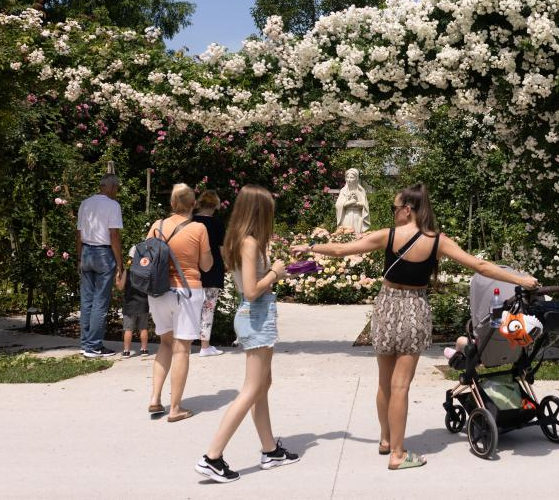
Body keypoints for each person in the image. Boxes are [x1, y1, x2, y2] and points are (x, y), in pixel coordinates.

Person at [291, 183, 537, 470]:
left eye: (394, 208)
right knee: (401, 385)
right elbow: (479, 266)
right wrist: (520, 280)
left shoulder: (387, 235)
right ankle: (397, 454)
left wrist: (310, 247)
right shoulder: (437, 241)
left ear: (407, 210)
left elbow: (341, 249)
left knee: (385, 382)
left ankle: (386, 440)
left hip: (386, 307)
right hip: (414, 310)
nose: (393, 212)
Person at [196, 185, 298, 483]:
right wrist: (275, 273)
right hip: (255, 315)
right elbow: (252, 291)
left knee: (262, 385)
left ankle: (270, 450)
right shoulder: (250, 243)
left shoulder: (242, 240)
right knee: (252, 389)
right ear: (258, 212)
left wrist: (275, 273)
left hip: (256, 315)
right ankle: (212, 457)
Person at [146, 183, 212, 423]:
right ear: (193, 204)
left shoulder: (157, 226)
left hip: (159, 291)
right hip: (187, 291)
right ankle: (175, 408)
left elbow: (146, 257)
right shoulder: (198, 228)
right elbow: (206, 266)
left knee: (165, 344)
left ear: (172, 204)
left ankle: (155, 398)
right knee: (182, 348)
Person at [75, 173, 124, 358]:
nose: (116, 191)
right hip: (103, 253)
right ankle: (94, 346)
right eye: (116, 188)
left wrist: (79, 258)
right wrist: (119, 263)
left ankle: (85, 344)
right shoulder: (113, 205)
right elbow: (114, 235)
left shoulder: (85, 203)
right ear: (111, 187)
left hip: (86, 252)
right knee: (100, 302)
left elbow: (79, 233)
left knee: (87, 301)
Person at [195, 189, 227, 357]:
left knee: (189, 308)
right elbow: (222, 250)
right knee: (208, 308)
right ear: (215, 205)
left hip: (192, 270)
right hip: (213, 270)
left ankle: (183, 344)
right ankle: (205, 346)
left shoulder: (190, 221)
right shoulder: (217, 224)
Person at [121, 267, 150, 358]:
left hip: (129, 306)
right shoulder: (146, 271)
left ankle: (126, 351)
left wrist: (118, 277)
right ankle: (144, 350)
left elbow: (120, 286)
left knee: (128, 329)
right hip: (143, 305)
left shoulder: (127, 271)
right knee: (143, 328)